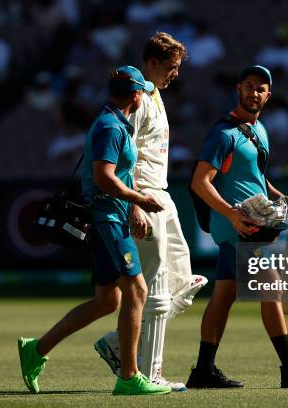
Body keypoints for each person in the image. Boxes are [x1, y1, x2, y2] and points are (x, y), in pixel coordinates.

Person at [18, 65, 172, 396]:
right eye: (142, 91)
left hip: (111, 214)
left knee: (107, 300)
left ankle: (35, 350)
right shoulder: (112, 127)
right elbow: (103, 177)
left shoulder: (112, 122)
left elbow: (115, 175)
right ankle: (130, 377)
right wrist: (139, 199)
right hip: (107, 218)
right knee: (138, 290)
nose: (145, 95)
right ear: (135, 95)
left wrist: (131, 205)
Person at [186, 65, 288, 389]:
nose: (254, 92)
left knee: (224, 295)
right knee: (271, 285)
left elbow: (256, 178)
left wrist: (284, 196)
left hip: (247, 225)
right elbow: (199, 181)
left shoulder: (259, 130)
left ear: (268, 94)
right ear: (238, 88)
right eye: (249, 86)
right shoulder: (224, 133)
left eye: (260, 88)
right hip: (239, 227)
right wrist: (231, 214)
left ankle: (203, 371)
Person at [94, 32, 207, 392]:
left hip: (162, 195)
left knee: (187, 280)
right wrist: (134, 205)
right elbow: (126, 159)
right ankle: (149, 372)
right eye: (171, 67)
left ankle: (117, 342)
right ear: (152, 63)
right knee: (156, 290)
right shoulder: (138, 99)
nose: (176, 74)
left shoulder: (155, 95)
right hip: (143, 198)